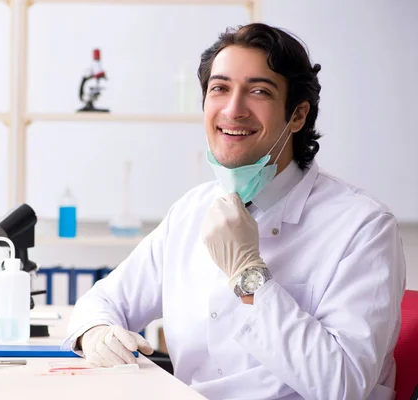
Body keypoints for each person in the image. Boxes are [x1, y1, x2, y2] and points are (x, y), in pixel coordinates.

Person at [61, 22, 406, 399]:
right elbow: (103, 300)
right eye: (220, 89)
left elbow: (343, 384)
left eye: (258, 91)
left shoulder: (363, 227)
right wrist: (95, 331)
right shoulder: (191, 211)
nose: (233, 109)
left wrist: (249, 275)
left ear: (298, 115)